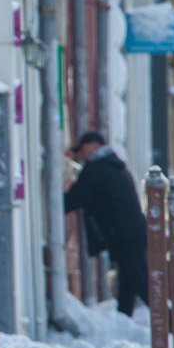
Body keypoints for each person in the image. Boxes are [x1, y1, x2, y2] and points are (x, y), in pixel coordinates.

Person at [64, 131, 148, 316]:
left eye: (83, 150)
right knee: (128, 281)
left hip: (123, 235)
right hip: (132, 232)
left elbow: (74, 199)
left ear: (94, 145)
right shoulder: (116, 165)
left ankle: (169, 322)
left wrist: (55, 204)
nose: (80, 155)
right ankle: (125, 319)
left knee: (138, 280)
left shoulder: (95, 169)